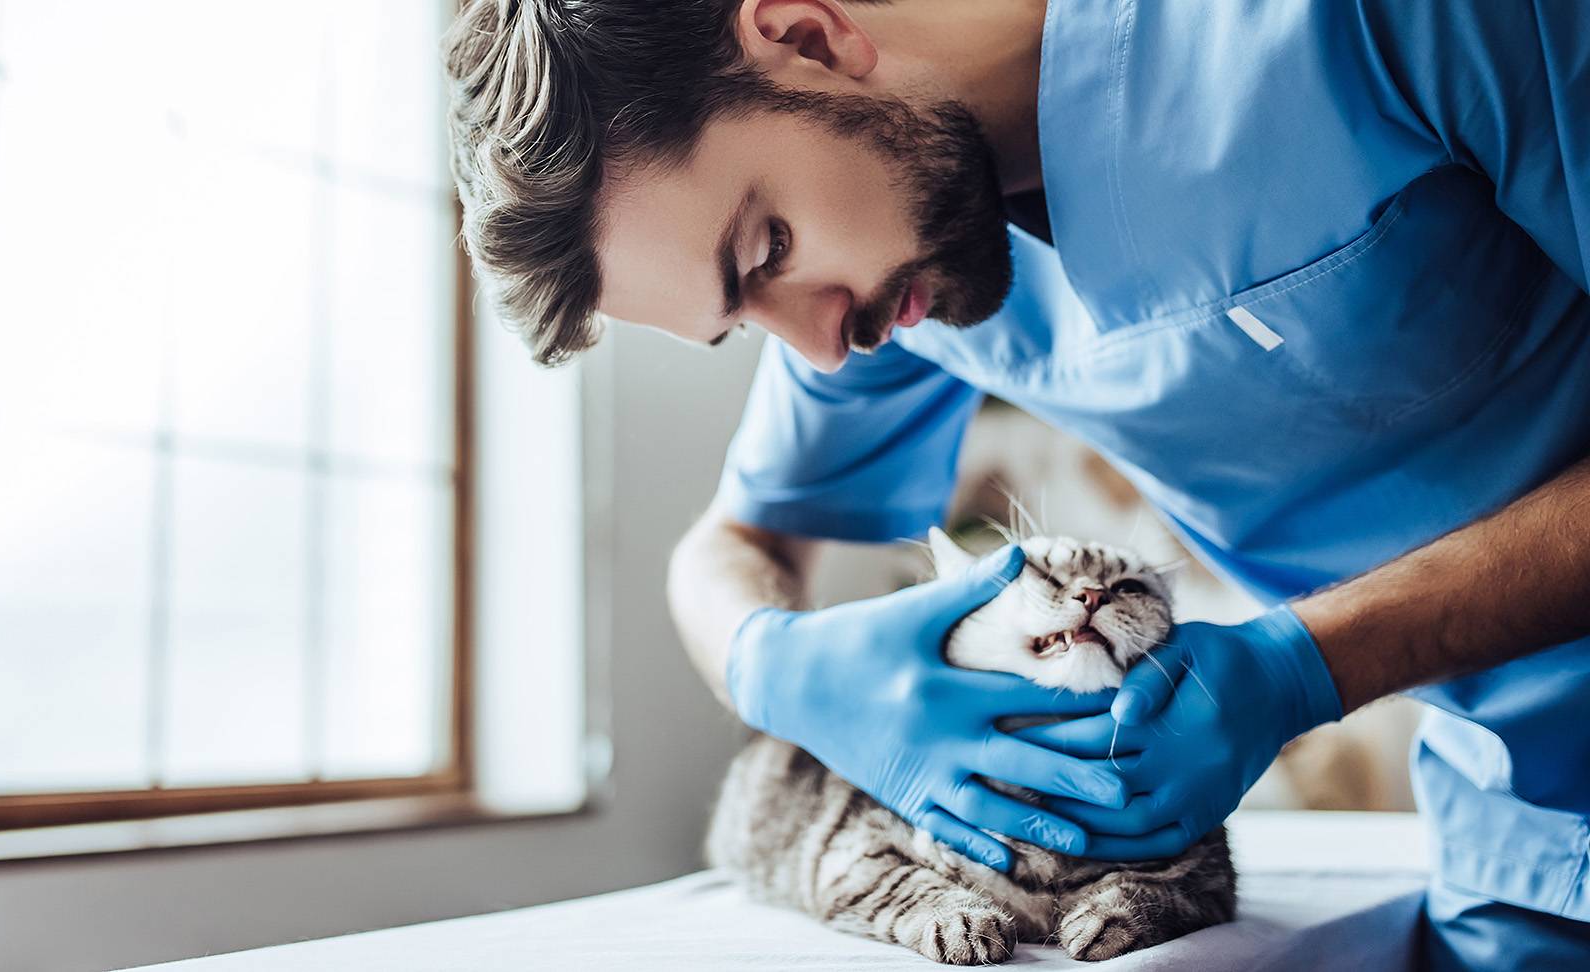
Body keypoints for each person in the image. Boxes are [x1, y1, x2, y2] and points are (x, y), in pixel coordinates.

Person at [443, 1, 1590, 966]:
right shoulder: (900, 276)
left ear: (805, 34)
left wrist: (1315, 663)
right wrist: (772, 664)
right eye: (742, 322)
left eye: (764, 253)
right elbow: (732, 547)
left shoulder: (1362, 25)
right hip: (1526, 852)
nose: (822, 350)